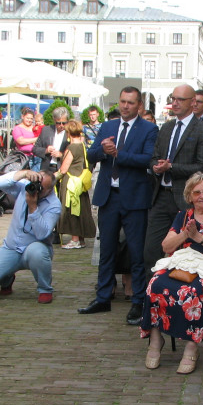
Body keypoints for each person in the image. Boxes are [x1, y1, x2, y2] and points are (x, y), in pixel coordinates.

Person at [79, 87, 158, 325]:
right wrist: (103, 151)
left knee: (136, 252)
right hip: (108, 196)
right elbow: (90, 156)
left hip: (134, 198)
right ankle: (103, 297)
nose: (125, 106)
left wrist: (118, 155)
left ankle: (138, 302)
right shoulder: (108, 126)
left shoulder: (149, 129)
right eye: (122, 101)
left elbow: (148, 159)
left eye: (130, 103)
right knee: (107, 250)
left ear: (139, 105)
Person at [140, 173, 203, 374]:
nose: (202, 196)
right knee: (155, 283)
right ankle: (156, 339)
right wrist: (185, 234)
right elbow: (166, 245)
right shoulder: (183, 216)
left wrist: (199, 237)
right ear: (189, 196)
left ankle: (192, 345)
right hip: (180, 264)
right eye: (197, 192)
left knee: (191, 290)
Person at [145, 84, 203, 271]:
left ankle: (177, 294)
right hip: (161, 196)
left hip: (185, 197)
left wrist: (172, 167)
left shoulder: (202, 129)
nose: (174, 103)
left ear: (193, 102)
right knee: (151, 250)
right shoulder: (166, 128)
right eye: (173, 98)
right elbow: (153, 157)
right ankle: (151, 296)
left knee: (185, 250)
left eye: (180, 100)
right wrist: (156, 167)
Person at [0, 169, 61, 302]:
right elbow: (0, 182)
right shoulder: (24, 188)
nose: (36, 191)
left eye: (41, 189)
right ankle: (7, 278)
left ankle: (45, 289)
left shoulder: (54, 205)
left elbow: (42, 234)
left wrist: (33, 207)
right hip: (12, 248)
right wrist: (24, 173)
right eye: (36, 185)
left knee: (38, 252)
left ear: (50, 190)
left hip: (34, 249)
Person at [55, 120, 95, 249]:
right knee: (80, 210)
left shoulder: (72, 147)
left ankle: (75, 239)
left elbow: (64, 169)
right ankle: (81, 239)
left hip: (71, 183)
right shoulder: (82, 145)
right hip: (80, 182)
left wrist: (52, 177)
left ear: (68, 133)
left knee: (71, 211)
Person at [34, 106, 70, 172]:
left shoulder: (70, 133)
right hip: (47, 168)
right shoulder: (46, 130)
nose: (61, 125)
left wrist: (61, 155)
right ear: (54, 120)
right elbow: (35, 149)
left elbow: (76, 154)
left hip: (62, 168)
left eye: (64, 123)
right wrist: (46, 150)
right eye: (58, 123)